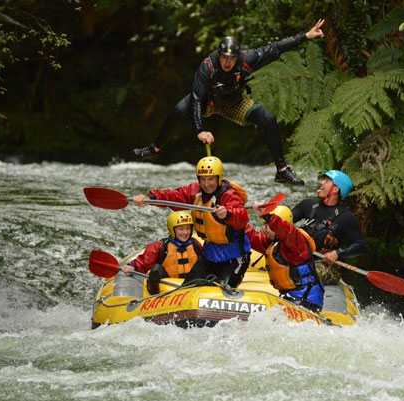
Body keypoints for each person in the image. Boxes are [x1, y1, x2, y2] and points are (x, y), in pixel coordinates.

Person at [133, 20, 326, 186]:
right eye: (224, 58)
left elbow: (276, 48)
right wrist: (200, 130)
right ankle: (154, 149)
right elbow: (197, 98)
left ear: (237, 57)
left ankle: (282, 170)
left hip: (234, 102)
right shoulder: (207, 67)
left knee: (268, 119)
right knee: (178, 110)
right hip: (208, 102)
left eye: (231, 59)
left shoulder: (248, 59)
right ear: (219, 55)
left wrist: (306, 36)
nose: (227, 63)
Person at [132, 156, 251, 288]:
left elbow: (242, 217)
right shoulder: (196, 191)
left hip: (234, 258)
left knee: (224, 290)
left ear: (219, 178)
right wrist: (150, 197)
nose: (206, 184)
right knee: (186, 290)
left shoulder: (229, 195)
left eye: (211, 179)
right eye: (203, 179)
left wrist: (228, 213)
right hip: (210, 255)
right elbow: (174, 196)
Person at [247, 205, 325, 311]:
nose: (263, 229)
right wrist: (232, 219)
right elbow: (252, 238)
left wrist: (269, 217)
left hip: (307, 299)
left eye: (267, 225)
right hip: (290, 297)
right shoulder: (273, 243)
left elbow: (286, 231)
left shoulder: (296, 242)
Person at [292, 170, 366, 266]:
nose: (321, 182)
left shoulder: (347, 217)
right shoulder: (308, 204)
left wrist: (337, 253)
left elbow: (361, 246)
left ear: (335, 189)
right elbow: (287, 217)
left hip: (322, 265)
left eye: (327, 180)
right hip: (299, 258)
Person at [121, 211, 202, 295]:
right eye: (181, 229)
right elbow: (143, 262)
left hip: (191, 284)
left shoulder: (196, 244)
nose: (185, 233)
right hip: (167, 285)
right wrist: (132, 266)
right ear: (172, 230)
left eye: (188, 228)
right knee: (156, 269)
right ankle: (154, 296)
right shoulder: (161, 246)